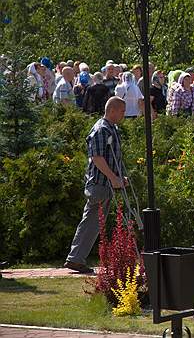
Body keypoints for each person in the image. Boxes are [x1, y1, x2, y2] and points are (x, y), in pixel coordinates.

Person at [65, 97, 129, 274]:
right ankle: (75, 259)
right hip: (99, 184)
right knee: (91, 222)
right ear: (112, 110)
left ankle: (76, 258)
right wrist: (113, 178)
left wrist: (119, 177)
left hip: (106, 185)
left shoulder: (112, 128)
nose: (124, 115)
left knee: (94, 223)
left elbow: (112, 158)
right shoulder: (101, 129)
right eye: (122, 111)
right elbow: (97, 157)